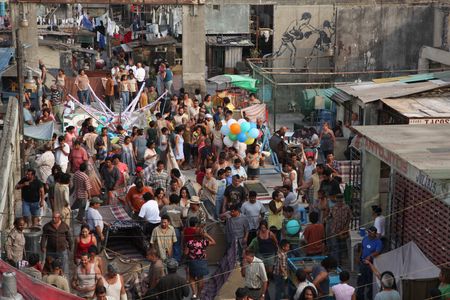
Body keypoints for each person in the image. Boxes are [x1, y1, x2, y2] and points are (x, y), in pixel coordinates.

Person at [185, 227, 216, 299]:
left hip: (193, 262)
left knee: (192, 277)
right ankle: (199, 295)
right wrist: (206, 235)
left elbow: (186, 253)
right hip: (202, 262)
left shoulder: (190, 243)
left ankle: (194, 293)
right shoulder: (204, 242)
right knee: (200, 278)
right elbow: (214, 242)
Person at [356, 226, 382, 300]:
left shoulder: (378, 242)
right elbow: (362, 248)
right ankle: (360, 296)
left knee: (370, 282)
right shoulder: (365, 239)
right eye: (369, 232)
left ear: (375, 234)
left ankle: (370, 296)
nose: (370, 234)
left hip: (371, 264)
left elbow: (377, 252)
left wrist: (370, 256)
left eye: (372, 233)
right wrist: (358, 257)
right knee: (360, 281)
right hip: (363, 263)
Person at [329, 194, 352, 265]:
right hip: (334, 230)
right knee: (335, 246)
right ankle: (336, 263)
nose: (339, 202)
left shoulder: (346, 207)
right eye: (338, 201)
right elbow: (330, 216)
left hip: (343, 231)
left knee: (341, 247)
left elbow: (349, 218)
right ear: (336, 200)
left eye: (340, 201)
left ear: (342, 200)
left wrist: (346, 228)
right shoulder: (333, 207)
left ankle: (340, 261)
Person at [160, 194, 183, 262]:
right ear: (178, 201)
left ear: (170, 200)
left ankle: (167, 260)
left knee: (167, 245)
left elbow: (160, 215)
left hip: (167, 229)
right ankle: (177, 261)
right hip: (177, 229)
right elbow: (183, 217)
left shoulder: (165, 208)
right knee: (177, 245)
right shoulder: (180, 208)